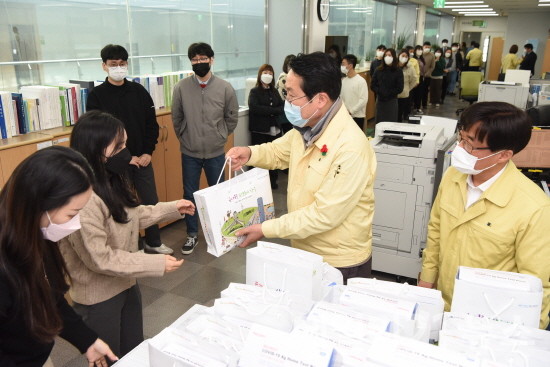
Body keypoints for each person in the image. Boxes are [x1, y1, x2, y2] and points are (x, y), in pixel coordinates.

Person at [226, 52, 377, 283]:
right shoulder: (308, 127)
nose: (286, 101)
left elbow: (323, 215)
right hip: (305, 249)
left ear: (320, 100)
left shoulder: (350, 147)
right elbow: (278, 151)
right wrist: (249, 153)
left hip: (338, 262)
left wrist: (265, 228)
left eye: (292, 95)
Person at [60, 111, 195, 358]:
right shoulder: (82, 198)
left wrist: (172, 208)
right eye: (119, 146)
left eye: (125, 143)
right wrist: (153, 263)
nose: (126, 151)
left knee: (134, 352)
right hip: (98, 297)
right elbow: (100, 259)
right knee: (109, 359)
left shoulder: (111, 179)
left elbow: (131, 216)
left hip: (126, 282)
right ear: (95, 150)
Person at [419, 102, 550, 330]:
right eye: (462, 138)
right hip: (443, 306)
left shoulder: (534, 207)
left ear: (504, 155)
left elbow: (536, 287)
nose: (460, 148)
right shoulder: (453, 176)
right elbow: (436, 231)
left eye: (470, 144)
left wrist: (524, 339)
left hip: (488, 322)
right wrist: (426, 281)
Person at [0, 146, 118, 367]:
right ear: (39, 204)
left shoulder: (36, 235)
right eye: (72, 214)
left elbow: (50, 297)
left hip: (37, 356)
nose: (77, 222)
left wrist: (87, 340)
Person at [86, 44, 171, 255]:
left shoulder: (139, 91)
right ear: (104, 66)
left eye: (122, 64)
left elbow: (151, 124)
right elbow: (98, 133)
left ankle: (154, 242)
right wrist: (125, 157)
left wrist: (147, 153)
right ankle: (127, 247)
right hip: (115, 163)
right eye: (113, 64)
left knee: (150, 201)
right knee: (121, 205)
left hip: (143, 159)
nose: (118, 67)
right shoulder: (97, 96)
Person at [171, 42, 239, 255]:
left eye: (203, 58)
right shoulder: (181, 87)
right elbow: (177, 117)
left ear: (212, 60)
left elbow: (232, 117)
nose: (199, 63)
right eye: (195, 59)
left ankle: (220, 232)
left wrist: (220, 136)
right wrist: (184, 136)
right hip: (189, 152)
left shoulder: (225, 87)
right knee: (189, 195)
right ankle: (192, 235)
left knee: (218, 194)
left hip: (215, 152)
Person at [248, 64, 285, 189]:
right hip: (260, 130)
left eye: (270, 73)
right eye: (265, 72)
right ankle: (257, 183)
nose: (268, 75)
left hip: (274, 129)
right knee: (259, 157)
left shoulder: (274, 91)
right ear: (260, 74)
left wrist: (270, 110)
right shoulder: (254, 91)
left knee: (273, 156)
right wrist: (272, 110)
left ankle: (272, 181)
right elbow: (255, 108)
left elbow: (281, 107)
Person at [371, 48, 404, 123]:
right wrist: (380, 91)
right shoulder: (378, 70)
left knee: (390, 123)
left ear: (394, 57)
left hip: (392, 101)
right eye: (386, 55)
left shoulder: (398, 71)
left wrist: (389, 93)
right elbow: (373, 85)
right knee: (379, 122)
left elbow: (400, 88)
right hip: (380, 101)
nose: (387, 57)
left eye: (389, 55)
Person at [340, 54, 369, 130]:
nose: (341, 66)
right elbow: (341, 98)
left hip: (357, 117)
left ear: (350, 66)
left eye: (343, 64)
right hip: (345, 116)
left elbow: (363, 100)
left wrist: (351, 111)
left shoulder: (361, 81)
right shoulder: (344, 81)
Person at [397, 49, 417, 122]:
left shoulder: (410, 67)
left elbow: (414, 79)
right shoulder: (394, 65)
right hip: (393, 94)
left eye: (406, 56)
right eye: (402, 55)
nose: (404, 57)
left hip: (404, 94)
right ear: (399, 56)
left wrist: (408, 88)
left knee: (400, 113)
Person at [411, 45, 426, 114]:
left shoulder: (422, 59)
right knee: (413, 93)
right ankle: (412, 106)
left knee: (419, 93)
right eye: (418, 49)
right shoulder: (412, 59)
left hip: (421, 77)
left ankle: (418, 107)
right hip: (414, 78)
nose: (419, 51)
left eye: (421, 49)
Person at [421, 42, 435, 109]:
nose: (427, 48)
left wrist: (427, 73)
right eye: (426, 47)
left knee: (425, 91)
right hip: (419, 75)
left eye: (428, 47)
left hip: (427, 76)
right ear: (423, 46)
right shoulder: (419, 53)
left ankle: (424, 104)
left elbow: (432, 66)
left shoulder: (432, 55)